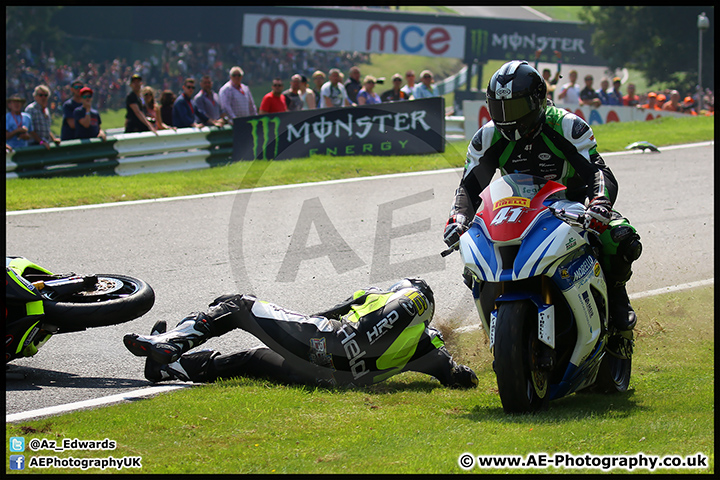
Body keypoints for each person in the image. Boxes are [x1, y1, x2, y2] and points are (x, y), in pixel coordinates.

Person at [442, 60, 642, 335]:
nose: (506, 117)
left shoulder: (565, 126)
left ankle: (617, 296)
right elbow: (469, 187)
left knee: (620, 238)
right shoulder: (487, 138)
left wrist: (599, 203)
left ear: (537, 100)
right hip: (515, 211)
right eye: (499, 108)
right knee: (473, 260)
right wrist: (459, 217)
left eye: (514, 107)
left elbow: (598, 171)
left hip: (571, 208)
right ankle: (497, 324)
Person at [123, 277, 479, 389]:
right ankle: (167, 369)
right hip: (331, 380)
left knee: (237, 305)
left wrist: (300, 331)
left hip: (325, 345)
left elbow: (325, 314)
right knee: (251, 361)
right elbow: (460, 378)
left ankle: (168, 344)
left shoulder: (383, 294)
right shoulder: (427, 343)